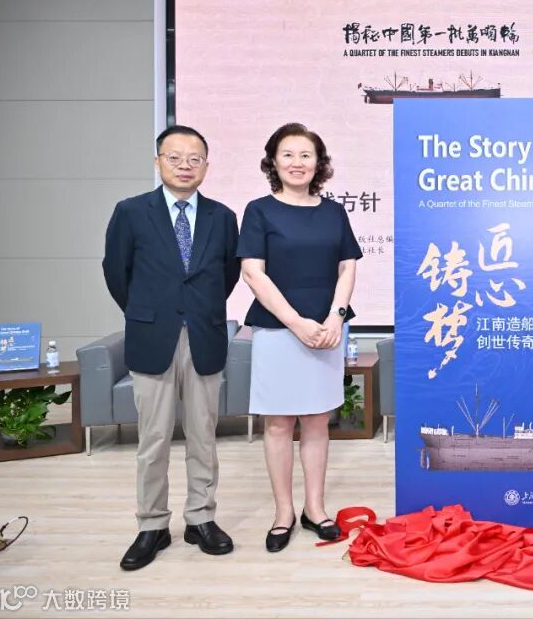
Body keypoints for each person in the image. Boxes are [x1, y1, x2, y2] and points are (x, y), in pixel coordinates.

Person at [103, 125, 240, 571]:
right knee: (154, 438)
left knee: (203, 436)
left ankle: (201, 518)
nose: (185, 166)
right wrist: (149, 312)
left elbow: (227, 275)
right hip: (152, 336)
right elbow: (117, 272)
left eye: (194, 159)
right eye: (175, 157)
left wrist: (195, 310)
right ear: (158, 161)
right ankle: (152, 525)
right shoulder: (131, 211)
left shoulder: (223, 216)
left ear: (206, 166)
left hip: (205, 334)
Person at [238, 122, 362, 552]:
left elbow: (347, 266)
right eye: (287, 154)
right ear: (273, 161)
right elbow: (253, 272)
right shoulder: (259, 210)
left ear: (318, 163)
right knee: (278, 423)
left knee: (317, 420)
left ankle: (315, 509)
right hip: (278, 329)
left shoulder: (334, 212)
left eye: (306, 155)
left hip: (327, 329)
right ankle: (283, 513)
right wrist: (296, 322)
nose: (297, 162)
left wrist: (335, 317)